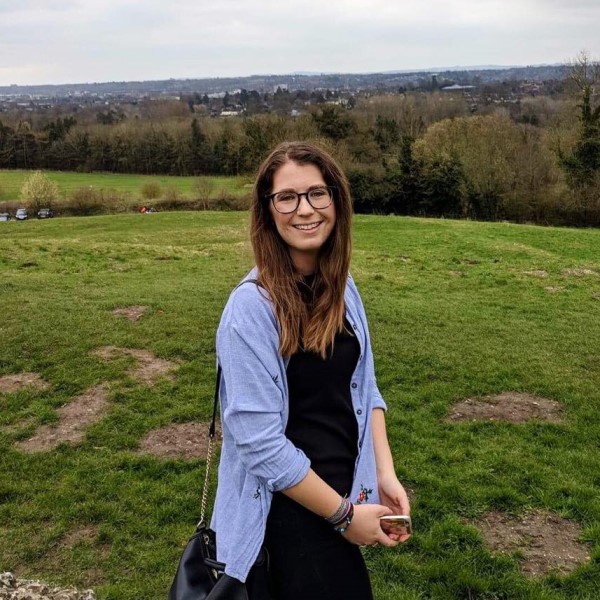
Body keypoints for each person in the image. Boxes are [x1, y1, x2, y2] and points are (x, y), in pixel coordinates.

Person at [211, 141, 411, 599]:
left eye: (317, 193)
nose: (305, 209)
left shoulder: (343, 289)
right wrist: (342, 517)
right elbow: (258, 441)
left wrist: (385, 474)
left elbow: (367, 388)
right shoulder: (249, 310)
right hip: (284, 519)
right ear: (268, 210)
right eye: (287, 197)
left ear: (336, 202)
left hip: (339, 501)